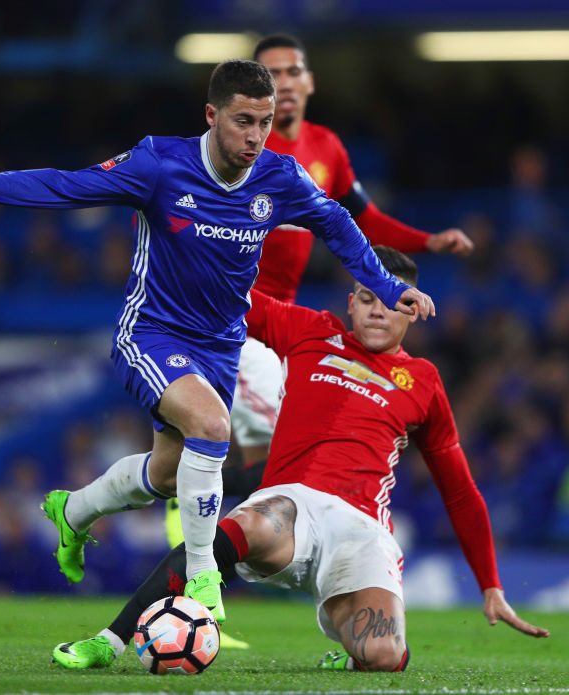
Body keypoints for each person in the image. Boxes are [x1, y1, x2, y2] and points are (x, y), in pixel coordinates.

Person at [0, 60, 434, 629]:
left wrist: (388, 286)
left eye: (265, 122)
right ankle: (202, 578)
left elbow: (336, 223)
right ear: (212, 115)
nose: (256, 136)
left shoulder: (279, 177)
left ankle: (74, 510)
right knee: (212, 427)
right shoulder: (159, 164)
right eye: (243, 121)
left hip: (220, 346)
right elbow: (67, 186)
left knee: (170, 473)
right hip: (153, 331)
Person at [51, 247, 548, 672]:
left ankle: (347, 651)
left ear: (413, 308)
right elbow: (228, 295)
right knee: (243, 527)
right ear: (351, 302)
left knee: (384, 655)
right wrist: (181, 242)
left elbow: (459, 491)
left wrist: (491, 585)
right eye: (367, 298)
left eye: (392, 301)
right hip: (290, 505)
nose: (377, 311)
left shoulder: (424, 381)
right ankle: (109, 641)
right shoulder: (311, 330)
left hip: (363, 529)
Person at [164, 32, 475, 550]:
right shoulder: (239, 148)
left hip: (281, 322)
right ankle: (201, 541)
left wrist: (428, 241)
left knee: (231, 458)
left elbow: (363, 218)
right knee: (276, 441)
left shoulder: (325, 147)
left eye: (293, 71)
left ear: (309, 81)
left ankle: (193, 535)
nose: (284, 83)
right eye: (272, 73)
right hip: (236, 314)